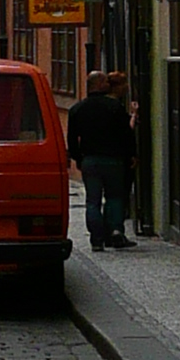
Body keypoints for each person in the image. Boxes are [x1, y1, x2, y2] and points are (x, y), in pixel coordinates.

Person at [66, 65, 137, 250]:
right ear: (98, 84)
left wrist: (78, 158)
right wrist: (131, 154)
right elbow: (126, 134)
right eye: (105, 81)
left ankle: (96, 240)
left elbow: (72, 139)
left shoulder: (77, 109)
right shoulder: (114, 106)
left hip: (90, 160)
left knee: (92, 201)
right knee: (114, 197)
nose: (108, 83)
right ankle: (114, 233)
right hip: (113, 160)